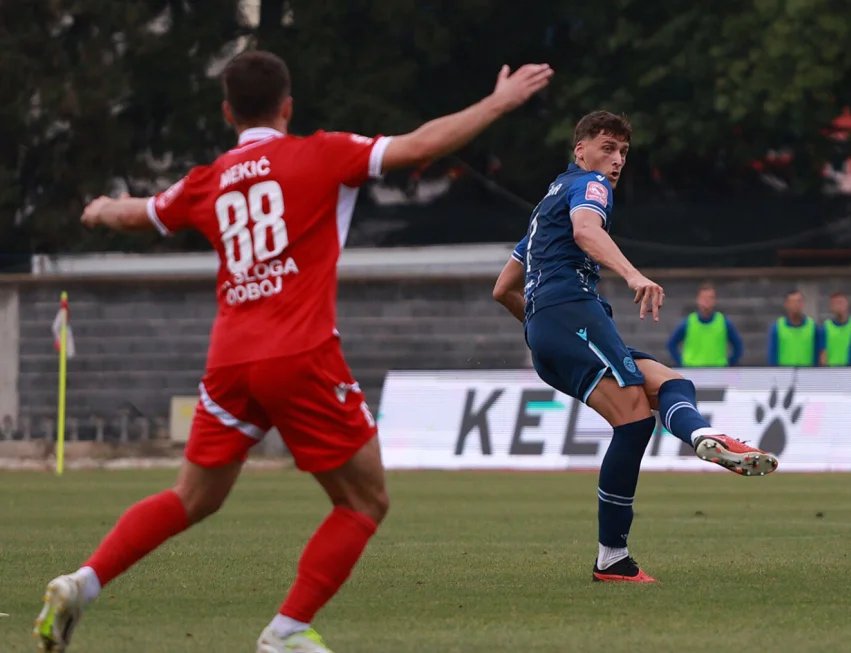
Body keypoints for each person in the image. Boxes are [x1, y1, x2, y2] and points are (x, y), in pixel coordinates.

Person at [34, 50, 554, 653]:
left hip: (229, 362)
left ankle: (81, 583)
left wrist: (98, 211)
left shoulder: (209, 179)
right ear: (287, 106)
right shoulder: (322, 152)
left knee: (192, 497)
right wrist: (501, 101)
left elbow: (139, 214)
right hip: (299, 353)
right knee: (364, 500)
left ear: (228, 111)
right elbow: (417, 148)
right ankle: (285, 630)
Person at [491, 110, 778, 584]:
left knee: (670, 382)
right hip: (573, 316)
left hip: (555, 327)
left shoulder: (546, 205)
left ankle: (702, 437)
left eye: (623, 151)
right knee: (634, 420)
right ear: (579, 149)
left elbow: (503, 289)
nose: (617, 159)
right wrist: (633, 274)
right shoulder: (589, 186)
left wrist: (542, 331)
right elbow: (587, 231)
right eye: (607, 147)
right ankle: (612, 558)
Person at [665, 283, 744, 367]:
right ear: (698, 299)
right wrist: (681, 363)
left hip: (718, 371)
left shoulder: (724, 323)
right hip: (692, 370)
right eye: (703, 298)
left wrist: (729, 364)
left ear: (715, 300)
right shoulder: (688, 322)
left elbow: (738, 346)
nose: (707, 301)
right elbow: (671, 344)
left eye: (710, 298)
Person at [766, 289, 824, 367]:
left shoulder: (813, 327)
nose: (796, 305)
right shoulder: (777, 327)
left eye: (799, 301)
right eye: (793, 302)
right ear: (786, 304)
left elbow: (819, 354)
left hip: (808, 375)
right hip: (784, 375)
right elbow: (772, 356)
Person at [819, 291, 851, 367]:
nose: (838, 306)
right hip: (832, 372)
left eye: (841, 302)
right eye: (835, 303)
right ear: (831, 307)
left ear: (847, 304)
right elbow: (823, 354)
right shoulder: (826, 327)